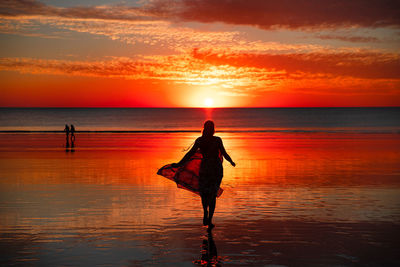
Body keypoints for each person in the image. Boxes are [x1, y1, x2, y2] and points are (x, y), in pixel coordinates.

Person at [174, 120, 235, 229]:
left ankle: (205, 212)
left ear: (204, 128)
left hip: (205, 168)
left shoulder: (200, 140)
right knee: (213, 194)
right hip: (216, 169)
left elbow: (190, 153)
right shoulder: (217, 140)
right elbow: (224, 153)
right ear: (213, 129)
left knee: (204, 193)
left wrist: (180, 163)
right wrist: (231, 161)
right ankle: (210, 219)